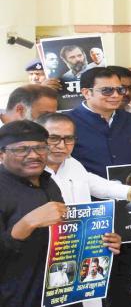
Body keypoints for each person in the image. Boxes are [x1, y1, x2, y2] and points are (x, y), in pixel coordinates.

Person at [66, 67, 131, 307]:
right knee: (92, 281)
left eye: (120, 89)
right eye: (107, 90)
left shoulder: (130, 121)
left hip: (129, 208)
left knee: (124, 279)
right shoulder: (68, 123)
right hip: (90, 213)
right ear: (86, 92)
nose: (116, 95)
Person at [0, 121, 78, 307]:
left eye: (40, 148)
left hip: (61, 294)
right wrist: (27, 223)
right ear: (2, 154)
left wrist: (100, 242)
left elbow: (64, 234)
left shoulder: (49, 183)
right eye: (22, 150)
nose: (34, 155)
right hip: (17, 298)